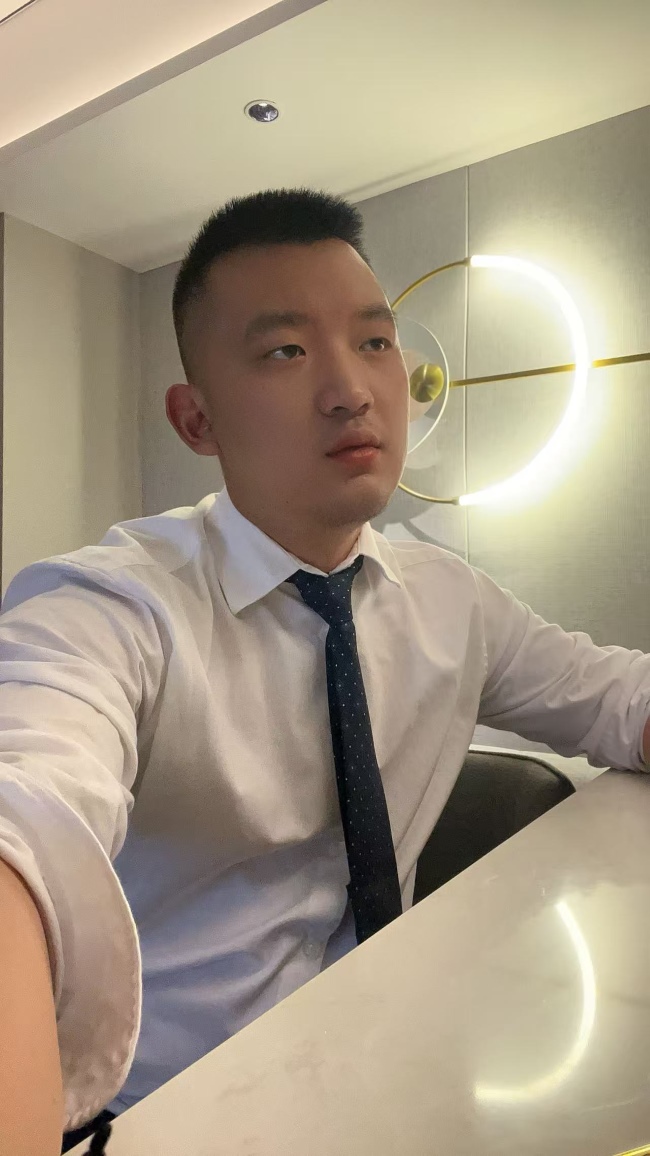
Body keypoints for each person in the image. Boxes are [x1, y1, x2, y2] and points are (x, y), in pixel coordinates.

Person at [0, 189, 649, 1156]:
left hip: (406, 1069)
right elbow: (25, 805)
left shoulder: (450, 601)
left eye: (376, 342)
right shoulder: (115, 606)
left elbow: (620, 702)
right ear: (196, 419)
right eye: (285, 351)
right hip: (171, 1117)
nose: (351, 389)